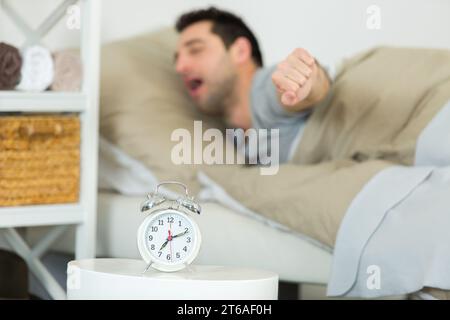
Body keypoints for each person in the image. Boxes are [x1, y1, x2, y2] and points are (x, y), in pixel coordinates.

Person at [174, 6, 332, 163]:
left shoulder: (264, 89)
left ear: (240, 51)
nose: (179, 68)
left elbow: (309, 87)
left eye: (195, 50)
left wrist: (306, 80)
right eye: (177, 59)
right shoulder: (231, 138)